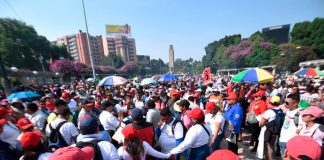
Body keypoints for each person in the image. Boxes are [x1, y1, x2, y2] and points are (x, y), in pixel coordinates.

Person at [258, 96, 283, 160]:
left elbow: (262, 122)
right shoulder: (280, 111)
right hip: (276, 132)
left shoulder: (269, 112)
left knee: (268, 147)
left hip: (268, 132)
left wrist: (260, 124)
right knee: (272, 147)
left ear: (271, 102)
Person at [279, 93, 301, 158]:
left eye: (287, 103)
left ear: (295, 103)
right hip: (282, 140)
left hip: (290, 142)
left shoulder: (300, 114)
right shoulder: (288, 111)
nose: (285, 104)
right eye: (284, 102)